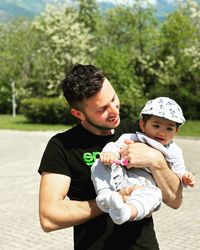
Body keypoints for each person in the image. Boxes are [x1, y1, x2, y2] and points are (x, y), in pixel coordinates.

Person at [38, 64, 183, 250]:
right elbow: (49, 217)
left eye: (114, 98)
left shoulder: (140, 132)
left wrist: (156, 161)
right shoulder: (62, 146)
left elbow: (175, 200)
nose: (114, 111)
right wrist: (111, 202)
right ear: (78, 113)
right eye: (102, 109)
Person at [91, 97, 195, 225]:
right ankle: (105, 194)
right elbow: (114, 146)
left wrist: (185, 176)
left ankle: (127, 211)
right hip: (120, 178)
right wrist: (110, 154)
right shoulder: (131, 137)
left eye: (169, 128)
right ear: (143, 125)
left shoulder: (174, 152)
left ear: (176, 131)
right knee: (99, 164)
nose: (162, 132)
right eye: (156, 125)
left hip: (144, 186)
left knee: (154, 195)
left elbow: (179, 171)